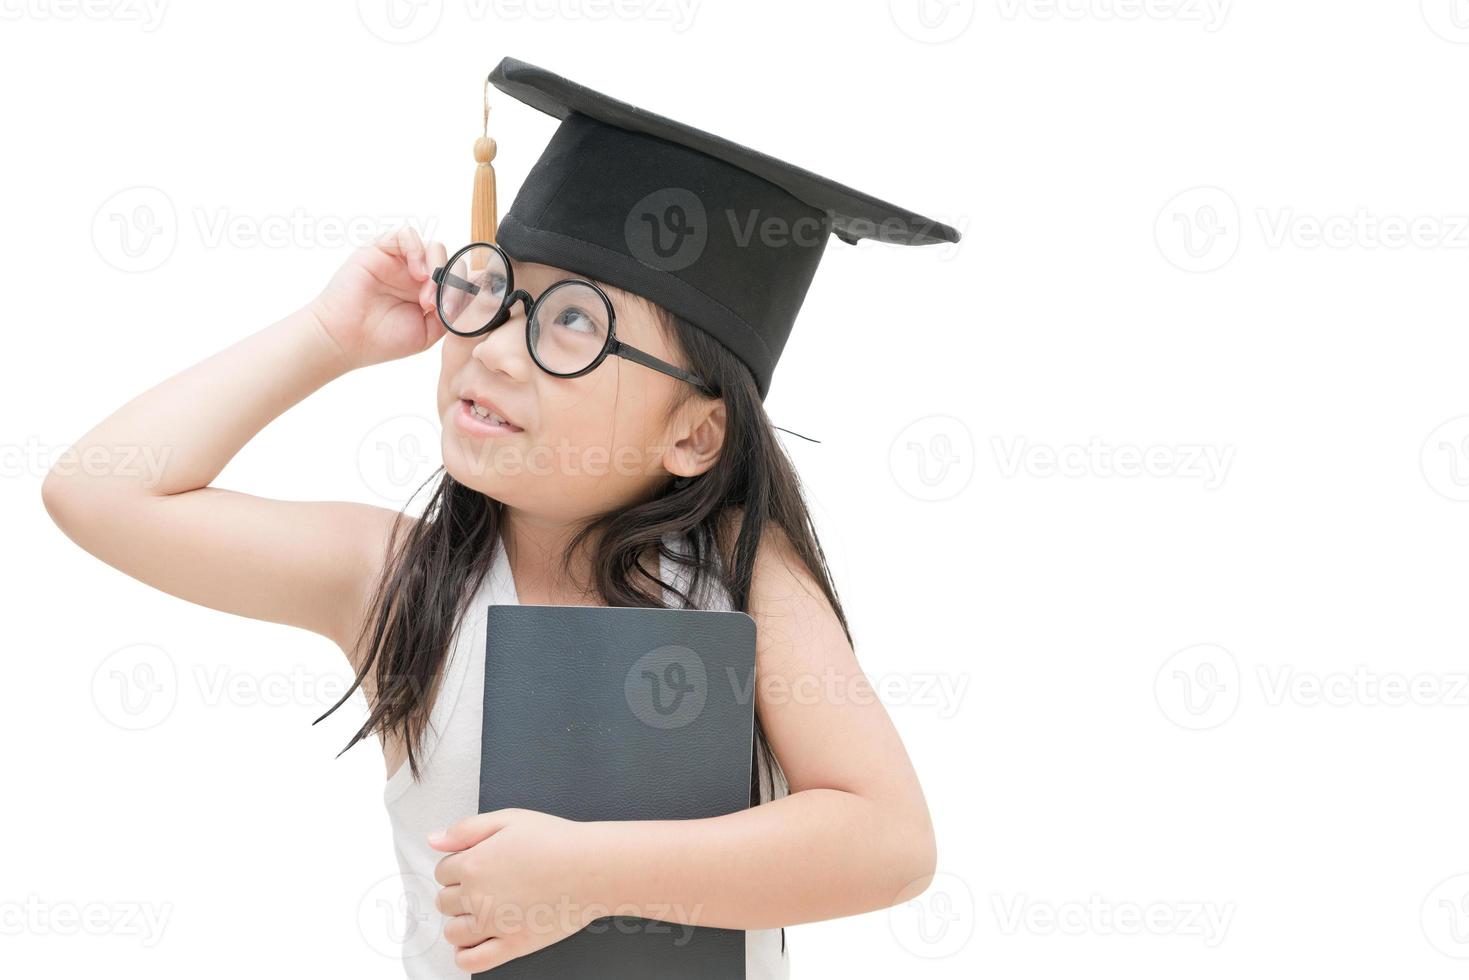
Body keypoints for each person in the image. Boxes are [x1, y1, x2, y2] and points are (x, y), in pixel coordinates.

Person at [42, 57, 959, 978]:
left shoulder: (733, 576)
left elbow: (888, 839)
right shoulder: (396, 584)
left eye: (572, 324)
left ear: (694, 432)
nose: (496, 352)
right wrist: (328, 338)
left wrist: (588, 873)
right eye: (497, 294)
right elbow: (99, 491)